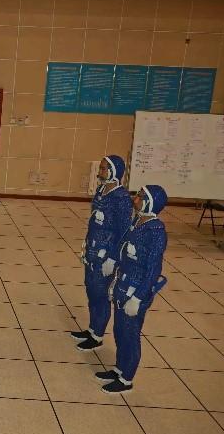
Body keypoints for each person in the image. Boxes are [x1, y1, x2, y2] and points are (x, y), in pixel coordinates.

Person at [97, 185, 168, 395]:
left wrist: (138, 297)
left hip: (136, 290)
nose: (135, 199)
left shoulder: (155, 231)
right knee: (119, 331)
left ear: (150, 203)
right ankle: (119, 369)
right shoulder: (137, 223)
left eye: (140, 196)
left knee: (130, 334)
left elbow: (153, 269)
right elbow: (122, 245)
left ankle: (126, 378)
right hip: (123, 283)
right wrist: (113, 260)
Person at [72, 156, 133, 351]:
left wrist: (113, 258)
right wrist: (87, 242)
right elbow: (93, 221)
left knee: (100, 294)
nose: (100, 171)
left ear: (114, 171)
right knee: (91, 290)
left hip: (106, 255)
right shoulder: (101, 190)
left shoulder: (121, 198)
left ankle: (97, 336)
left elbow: (124, 231)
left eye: (104, 168)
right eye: (100, 168)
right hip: (93, 250)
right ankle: (92, 329)